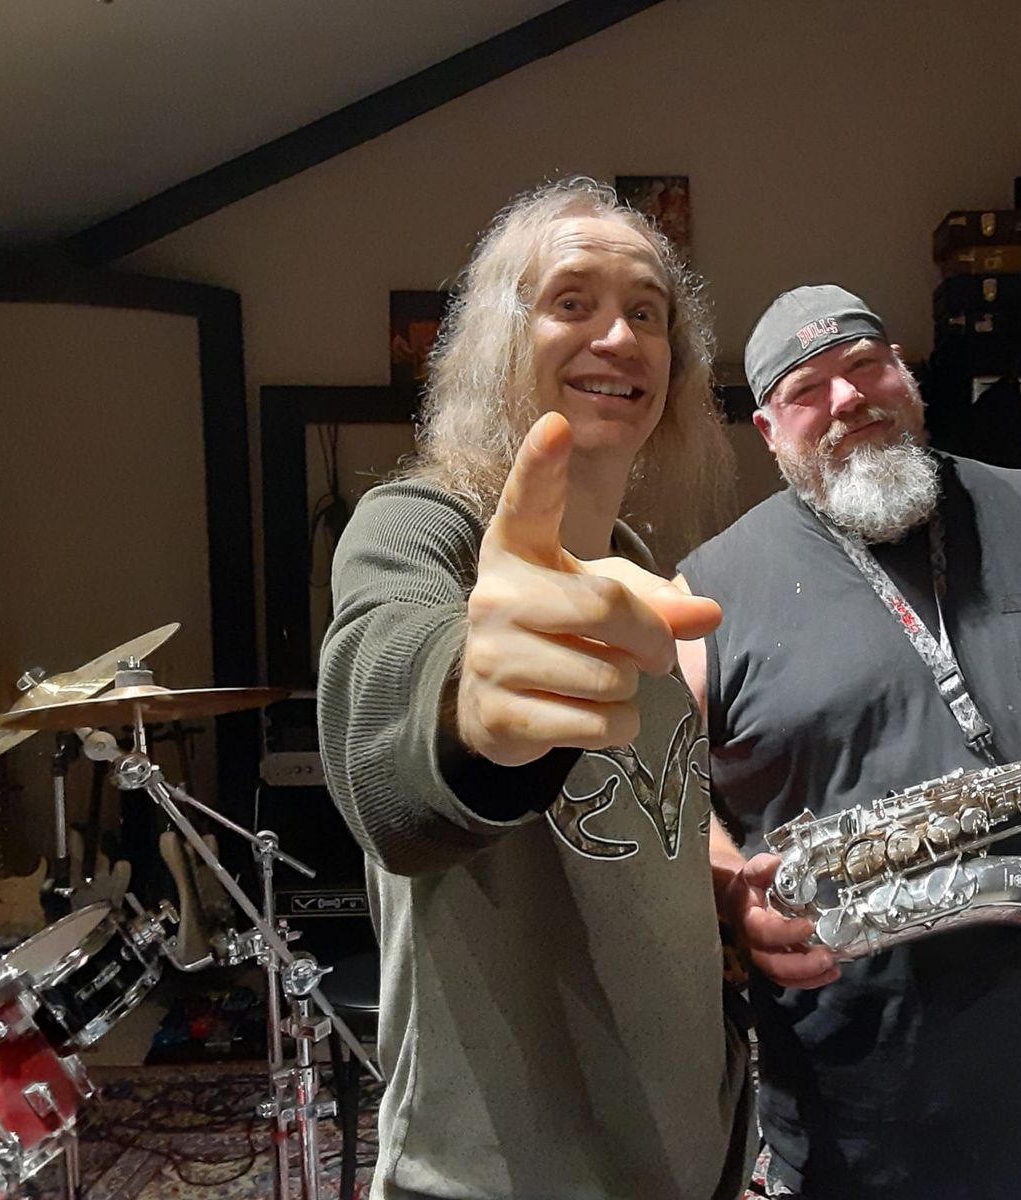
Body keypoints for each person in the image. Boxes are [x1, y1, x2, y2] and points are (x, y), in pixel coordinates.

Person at [677, 285, 1021, 1199]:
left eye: (864, 365)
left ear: (903, 373)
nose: (847, 397)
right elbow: (656, 789)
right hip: (871, 1114)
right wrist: (728, 885)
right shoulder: (707, 591)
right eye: (806, 389)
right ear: (768, 431)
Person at [318, 178, 752, 1200]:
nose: (620, 336)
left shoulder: (641, 573)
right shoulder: (419, 527)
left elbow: (640, 833)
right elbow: (383, 735)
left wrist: (728, 892)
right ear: (498, 345)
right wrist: (470, 708)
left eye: (647, 311)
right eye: (571, 302)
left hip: (685, 1162)